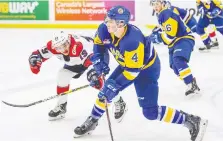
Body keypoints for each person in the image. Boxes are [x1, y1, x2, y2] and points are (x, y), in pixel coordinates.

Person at [73, 5, 208, 141]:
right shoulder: (104, 29)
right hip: (127, 64)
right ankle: (93, 119)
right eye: (107, 19)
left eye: (111, 20)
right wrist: (98, 62)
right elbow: (99, 46)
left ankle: (191, 121)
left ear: (121, 23)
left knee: (150, 112)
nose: (106, 22)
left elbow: (132, 72)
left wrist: (114, 87)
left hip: (146, 70)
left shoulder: (132, 40)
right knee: (105, 91)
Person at [28, 31, 105, 120]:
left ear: (69, 41)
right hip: (75, 63)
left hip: (95, 55)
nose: (63, 50)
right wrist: (33, 59)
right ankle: (62, 106)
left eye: (64, 45)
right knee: (62, 75)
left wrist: (94, 73)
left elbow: (91, 60)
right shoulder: (53, 46)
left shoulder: (79, 46)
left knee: (100, 83)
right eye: (59, 48)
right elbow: (38, 54)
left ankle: (118, 100)